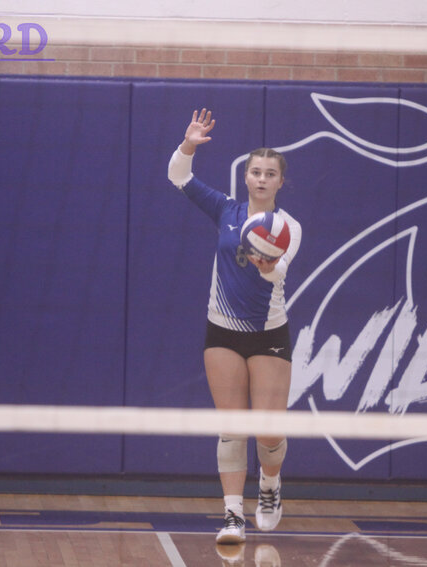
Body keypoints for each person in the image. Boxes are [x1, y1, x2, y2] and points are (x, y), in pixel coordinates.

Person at [167, 108, 302, 544]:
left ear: (281, 182)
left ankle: (269, 486)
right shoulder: (226, 210)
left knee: (268, 429)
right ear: (245, 177)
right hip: (221, 330)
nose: (261, 179)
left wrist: (266, 264)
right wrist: (189, 144)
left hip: (268, 335)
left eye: (270, 174)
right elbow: (179, 178)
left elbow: (276, 273)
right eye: (255, 171)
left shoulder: (288, 227)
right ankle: (232, 516)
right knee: (231, 424)